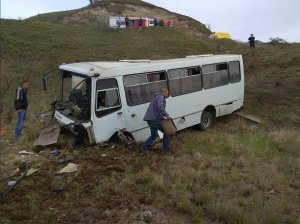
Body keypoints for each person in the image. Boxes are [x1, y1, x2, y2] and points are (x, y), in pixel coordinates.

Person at [142, 88, 171, 152]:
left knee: (153, 136)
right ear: (163, 92)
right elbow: (160, 108)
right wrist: (167, 115)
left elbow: (157, 111)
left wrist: (163, 118)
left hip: (149, 119)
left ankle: (144, 147)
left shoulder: (156, 97)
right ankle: (166, 149)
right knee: (165, 133)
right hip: (153, 119)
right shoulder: (161, 97)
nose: (167, 94)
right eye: (167, 93)